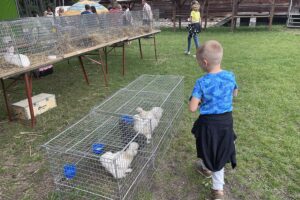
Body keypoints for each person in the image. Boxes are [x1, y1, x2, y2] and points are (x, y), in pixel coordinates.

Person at [189, 40, 238, 200]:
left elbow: (192, 108)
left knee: (208, 147)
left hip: (209, 124)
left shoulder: (201, 82)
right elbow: (235, 92)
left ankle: (212, 178)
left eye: (199, 63)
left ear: (204, 62)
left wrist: (198, 100)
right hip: (226, 122)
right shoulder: (230, 76)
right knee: (218, 149)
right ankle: (211, 178)